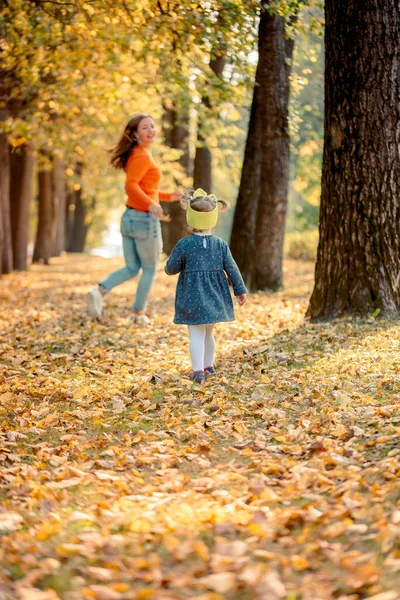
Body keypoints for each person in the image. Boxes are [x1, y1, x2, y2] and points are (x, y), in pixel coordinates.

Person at [88, 114, 180, 324]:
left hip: (130, 217)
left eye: (152, 126)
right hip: (143, 220)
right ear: (135, 134)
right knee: (148, 269)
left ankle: (99, 291)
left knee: (132, 267)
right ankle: (138, 314)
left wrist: (167, 197)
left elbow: (146, 188)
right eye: (145, 128)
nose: (151, 131)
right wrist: (151, 205)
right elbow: (131, 186)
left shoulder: (138, 154)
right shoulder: (142, 156)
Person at [165, 188, 247, 382]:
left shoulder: (184, 244)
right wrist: (240, 290)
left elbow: (171, 269)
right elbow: (232, 268)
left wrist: (174, 264)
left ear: (191, 218)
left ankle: (197, 371)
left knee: (196, 333)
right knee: (209, 332)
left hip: (191, 297)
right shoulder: (220, 244)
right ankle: (208, 366)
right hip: (215, 296)